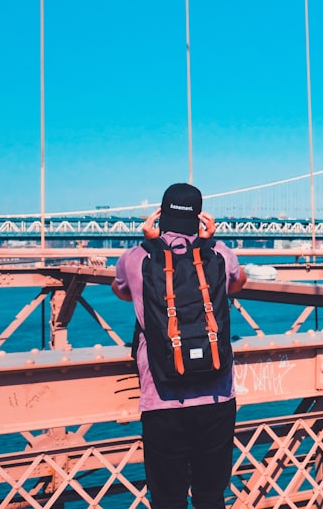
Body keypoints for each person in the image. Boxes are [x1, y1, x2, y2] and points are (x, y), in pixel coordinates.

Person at [112, 183, 248, 509]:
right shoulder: (219, 253)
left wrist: (149, 241)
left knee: (167, 498)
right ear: (200, 219)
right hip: (216, 396)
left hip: (161, 399)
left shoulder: (135, 258)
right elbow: (239, 283)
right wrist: (208, 240)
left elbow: (122, 291)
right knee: (211, 496)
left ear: (160, 216)